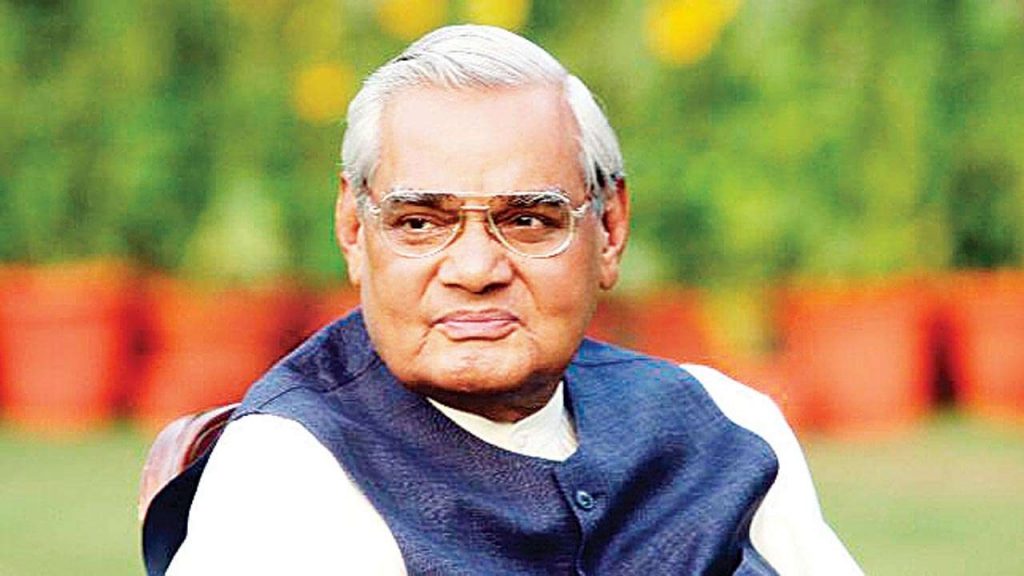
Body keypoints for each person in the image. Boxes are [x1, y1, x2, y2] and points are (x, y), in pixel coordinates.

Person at [144, 24, 862, 575]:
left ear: (609, 229)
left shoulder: (725, 422)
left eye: (528, 221)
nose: (475, 268)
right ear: (354, 231)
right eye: (420, 223)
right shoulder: (293, 473)